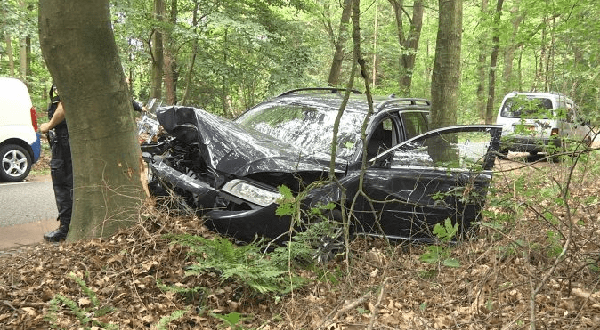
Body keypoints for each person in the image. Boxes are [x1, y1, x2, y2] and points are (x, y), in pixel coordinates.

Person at [39, 85, 73, 242]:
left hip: (65, 143)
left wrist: (48, 125)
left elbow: (64, 107)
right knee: (66, 184)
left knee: (62, 185)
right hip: (65, 141)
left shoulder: (66, 81)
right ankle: (67, 226)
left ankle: (65, 229)